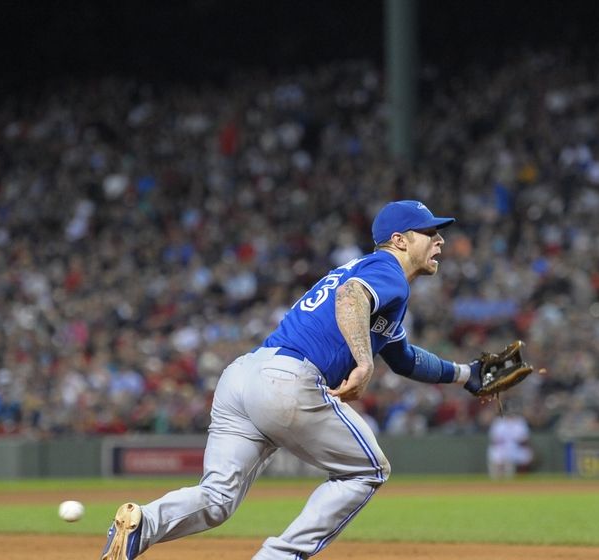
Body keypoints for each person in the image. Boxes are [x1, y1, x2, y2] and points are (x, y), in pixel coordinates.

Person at [101, 200, 487, 560]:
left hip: (244, 376)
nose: (440, 239)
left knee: (217, 498)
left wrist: (467, 374)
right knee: (368, 470)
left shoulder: (377, 284)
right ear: (400, 241)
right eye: (429, 232)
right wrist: (364, 363)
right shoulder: (386, 270)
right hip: (287, 379)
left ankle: (142, 524)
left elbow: (406, 359)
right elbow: (352, 297)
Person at [486, 409, 533, 479]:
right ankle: (497, 479)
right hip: (501, 448)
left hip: (516, 448)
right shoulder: (498, 422)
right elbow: (494, 439)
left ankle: (522, 478)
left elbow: (525, 439)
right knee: (496, 453)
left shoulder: (520, 421)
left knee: (526, 454)